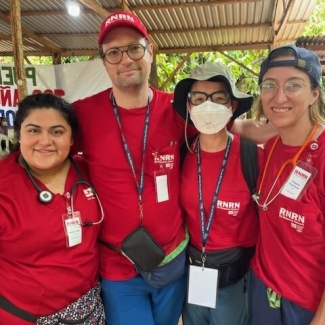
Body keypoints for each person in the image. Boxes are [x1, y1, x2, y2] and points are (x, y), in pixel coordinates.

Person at [72, 11, 275, 325]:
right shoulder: (83, 114)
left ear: (150, 51)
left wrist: (272, 130)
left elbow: (217, 125)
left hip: (174, 261)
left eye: (134, 48)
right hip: (118, 263)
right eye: (114, 52)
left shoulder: (177, 111)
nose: (125, 59)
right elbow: (48, 155)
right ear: (104, 61)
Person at [0, 93, 105, 324]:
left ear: (71, 138)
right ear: (19, 133)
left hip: (89, 310)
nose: (45, 141)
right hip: (21, 315)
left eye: (57, 132)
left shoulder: (91, 172)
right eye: (34, 130)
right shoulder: (4, 184)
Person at [173, 62, 262, 325]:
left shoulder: (252, 157)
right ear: (189, 106)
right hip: (192, 275)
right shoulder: (182, 154)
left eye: (219, 98)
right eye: (198, 98)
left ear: (232, 106)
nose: (207, 105)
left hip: (235, 278)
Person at [251, 44, 325, 325]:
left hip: (307, 304)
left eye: (293, 84)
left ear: (314, 94)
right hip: (264, 287)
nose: (279, 96)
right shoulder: (269, 148)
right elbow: (245, 128)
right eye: (270, 85)